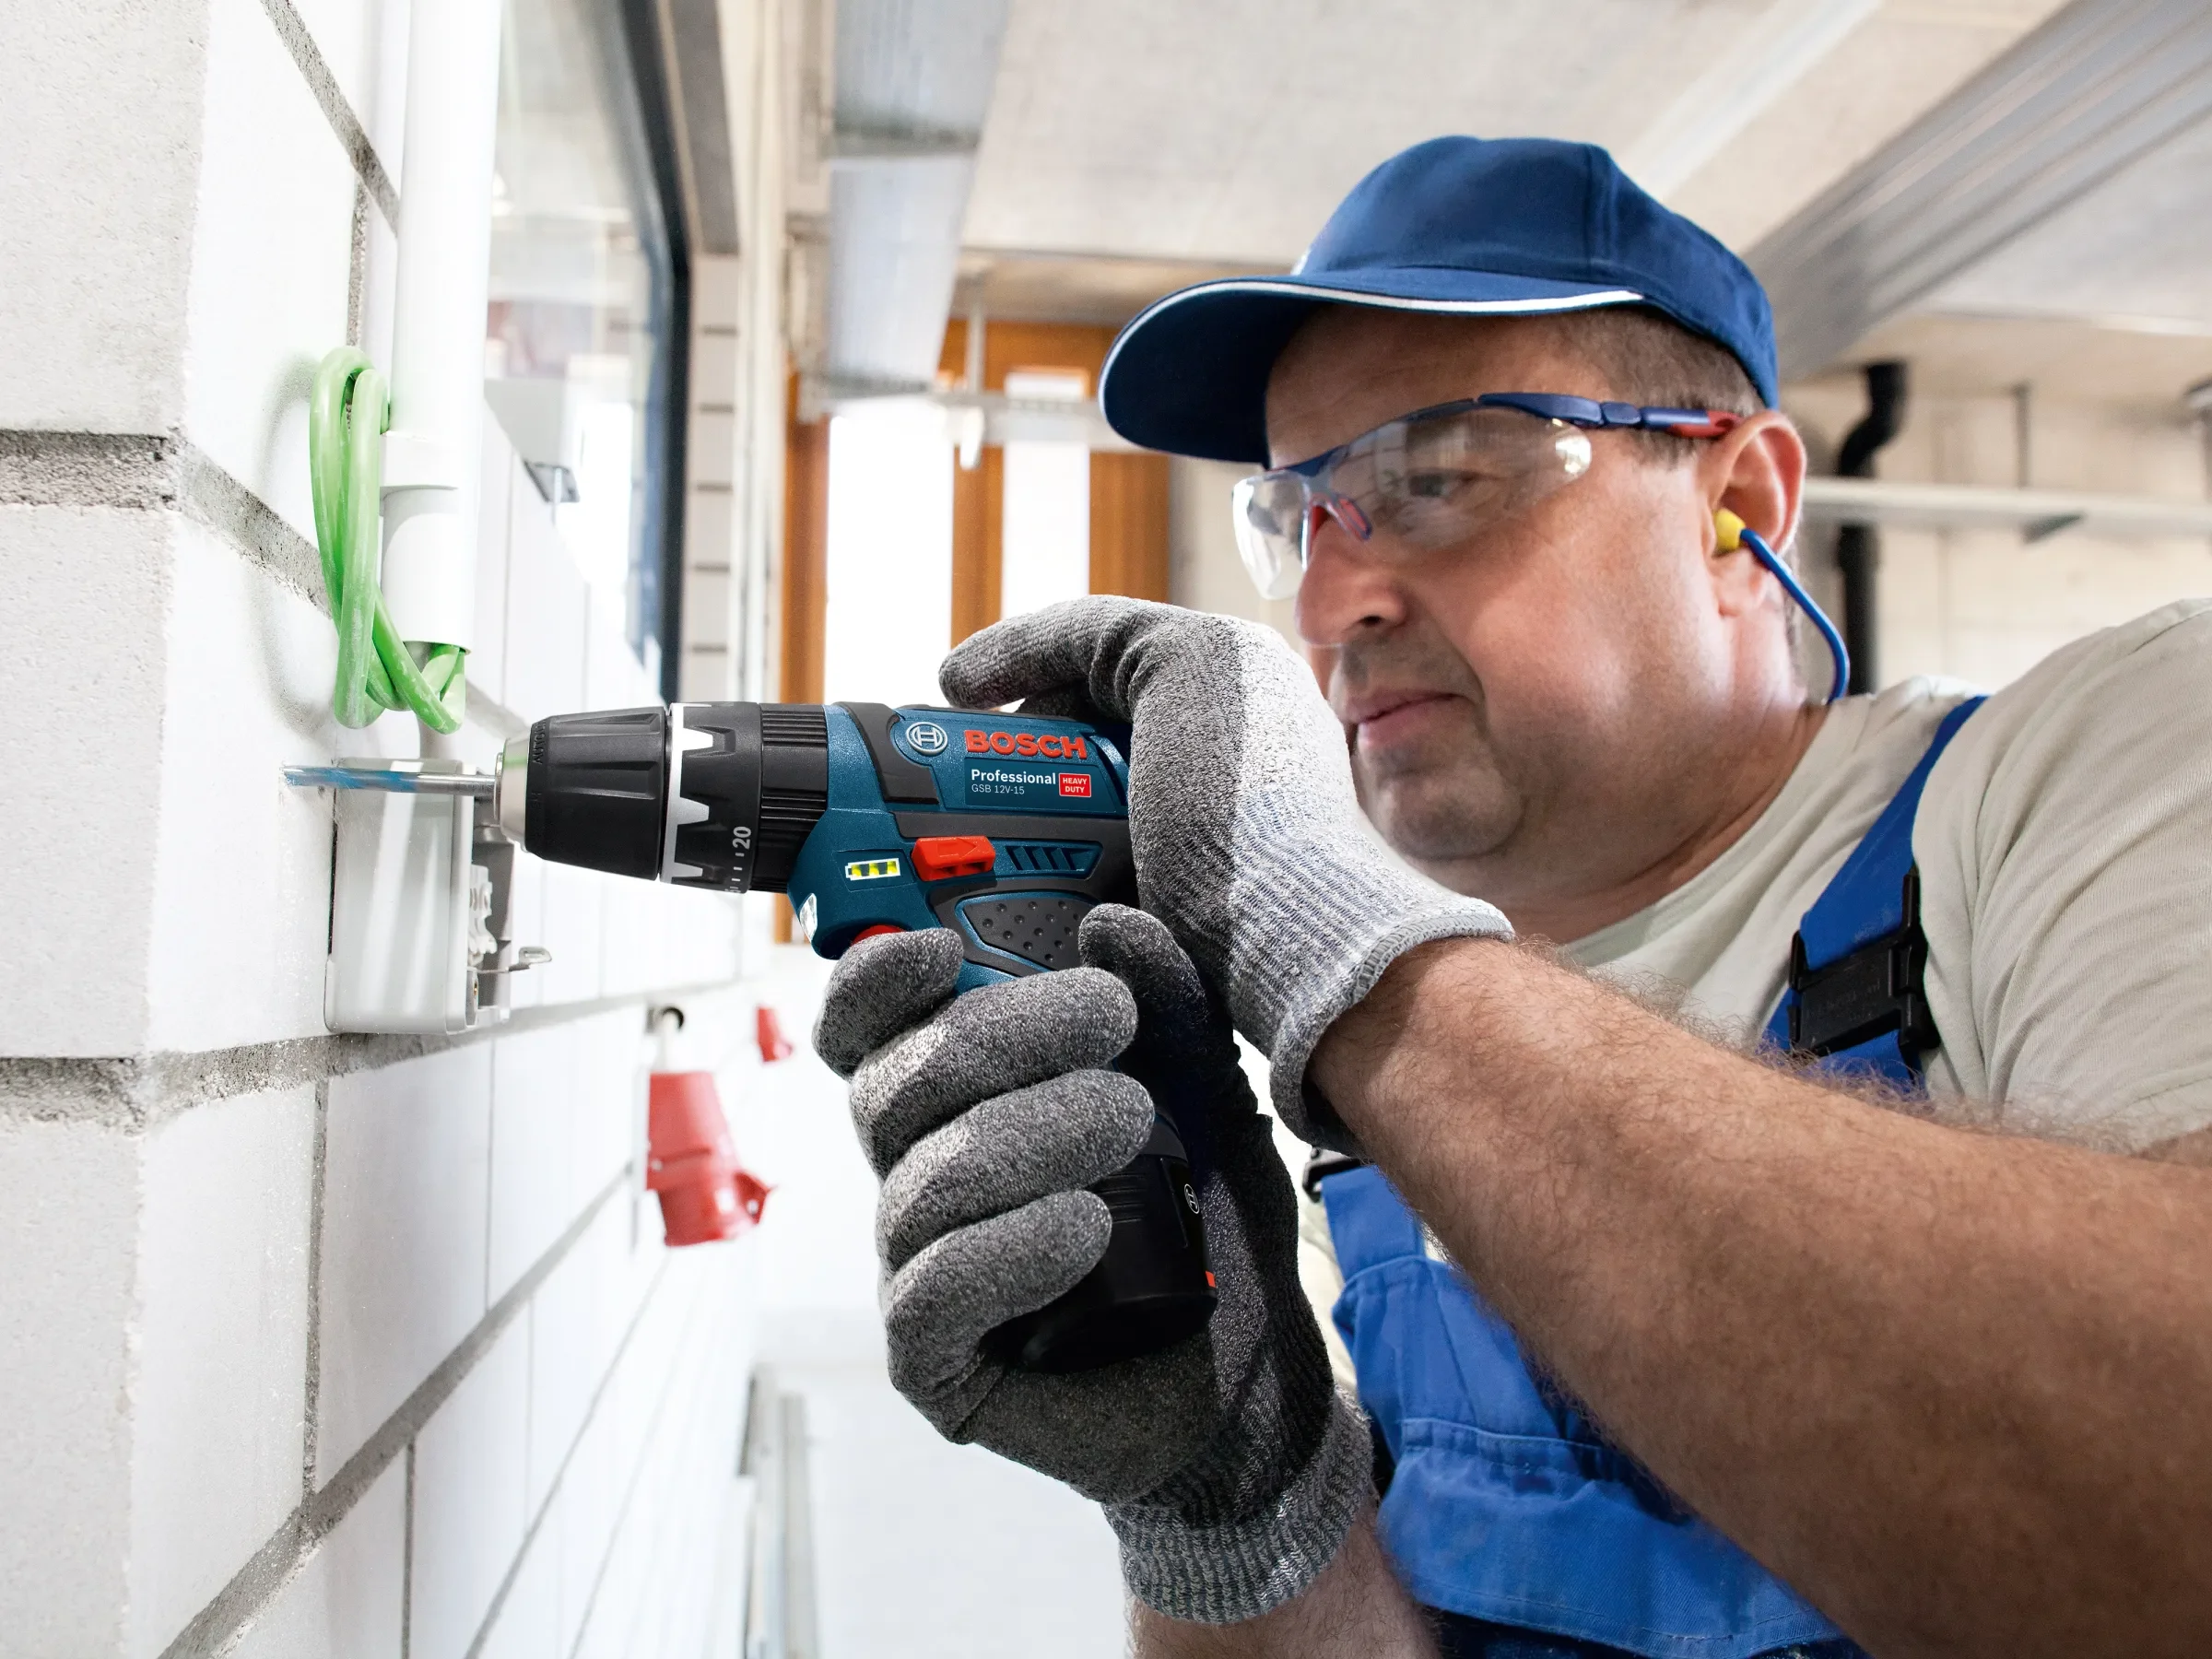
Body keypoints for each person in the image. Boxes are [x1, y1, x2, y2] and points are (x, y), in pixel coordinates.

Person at [811, 136, 2212, 1657]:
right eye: (1297, 515)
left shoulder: (2096, 761)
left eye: (1436, 478)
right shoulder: (1382, 1075)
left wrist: (1354, 967)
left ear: (1737, 500)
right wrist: (1233, 1511)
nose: (1331, 602)